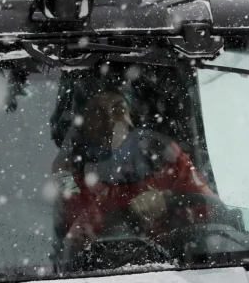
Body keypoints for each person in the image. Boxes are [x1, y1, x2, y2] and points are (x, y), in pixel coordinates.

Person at [53, 89, 214, 251]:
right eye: (97, 112)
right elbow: (69, 236)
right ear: (83, 122)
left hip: (178, 266)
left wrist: (169, 202)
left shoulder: (167, 155)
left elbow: (211, 211)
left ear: (130, 115)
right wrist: (123, 214)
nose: (109, 119)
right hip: (98, 270)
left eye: (118, 109)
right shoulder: (66, 172)